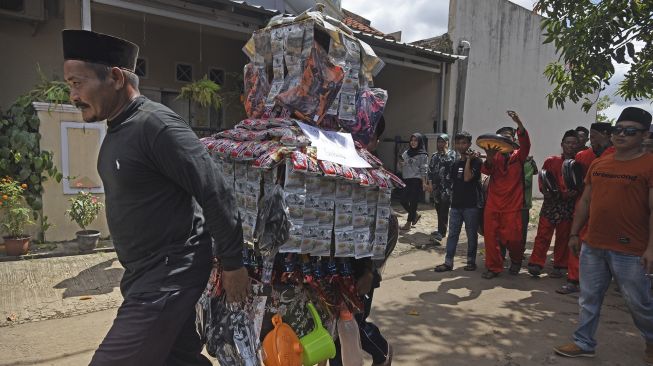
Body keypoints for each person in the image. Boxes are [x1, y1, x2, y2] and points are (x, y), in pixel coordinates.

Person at [61, 30, 249, 366]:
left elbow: (214, 189)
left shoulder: (157, 126)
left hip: (170, 275)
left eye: (77, 83)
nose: (73, 95)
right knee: (176, 359)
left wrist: (234, 264)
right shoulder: (118, 128)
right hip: (143, 276)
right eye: (70, 85)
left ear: (115, 77)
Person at [554, 107, 653, 365]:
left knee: (638, 302)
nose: (621, 135)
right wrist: (575, 233)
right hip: (593, 244)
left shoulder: (649, 165)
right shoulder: (599, 163)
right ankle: (584, 342)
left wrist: (650, 248)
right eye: (618, 130)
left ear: (644, 135)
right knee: (589, 297)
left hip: (630, 250)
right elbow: (586, 201)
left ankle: (651, 339)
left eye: (630, 131)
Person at [333, 116, 395, 366]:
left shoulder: (375, 176)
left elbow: (383, 229)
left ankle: (383, 352)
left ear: (376, 141)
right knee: (337, 329)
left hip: (363, 266)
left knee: (352, 323)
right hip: (337, 264)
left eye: (366, 136)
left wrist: (370, 271)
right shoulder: (337, 164)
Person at [557, 122, 615, 294]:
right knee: (577, 241)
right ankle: (573, 280)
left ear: (606, 134)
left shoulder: (618, 155)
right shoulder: (583, 156)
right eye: (591, 136)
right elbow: (570, 176)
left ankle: (603, 279)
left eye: (594, 135)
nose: (591, 139)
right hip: (584, 204)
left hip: (609, 208)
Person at [480, 111, 531, 279]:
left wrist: (519, 123)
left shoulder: (519, 156)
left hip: (513, 206)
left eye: (508, 137)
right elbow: (486, 171)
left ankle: (516, 260)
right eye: (501, 137)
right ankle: (494, 267)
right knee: (491, 238)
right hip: (493, 204)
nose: (505, 140)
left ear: (513, 140)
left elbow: (526, 144)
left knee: (514, 239)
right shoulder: (495, 157)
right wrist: (488, 157)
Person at [527, 130, 580, 278]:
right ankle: (536, 263)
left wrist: (573, 194)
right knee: (543, 233)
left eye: (574, 143)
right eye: (568, 143)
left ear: (578, 145)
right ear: (562, 144)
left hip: (568, 205)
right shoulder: (551, 161)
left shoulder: (580, 162)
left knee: (563, 236)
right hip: (551, 203)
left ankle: (560, 265)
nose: (570, 146)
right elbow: (543, 179)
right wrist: (546, 192)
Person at [433, 131, 483, 272]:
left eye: (464, 143)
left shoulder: (477, 162)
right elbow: (455, 182)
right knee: (452, 235)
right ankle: (448, 263)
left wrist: (468, 160)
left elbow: (467, 178)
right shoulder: (455, 163)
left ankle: (471, 262)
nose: (461, 146)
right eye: (459, 143)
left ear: (469, 144)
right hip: (456, 205)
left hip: (471, 206)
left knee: (471, 235)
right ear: (455, 144)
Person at [428, 134, 457, 242]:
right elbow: (430, 171)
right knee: (438, 208)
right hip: (436, 187)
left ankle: (442, 232)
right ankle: (440, 229)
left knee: (444, 209)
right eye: (439, 142)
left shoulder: (452, 154)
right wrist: (430, 184)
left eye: (443, 142)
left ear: (447, 143)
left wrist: (445, 152)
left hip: (447, 188)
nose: (440, 144)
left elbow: (452, 166)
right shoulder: (434, 155)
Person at [399, 133, 429, 231]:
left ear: (419, 142)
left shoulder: (423, 155)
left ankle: (408, 223)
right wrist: (401, 164)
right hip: (406, 178)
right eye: (412, 140)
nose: (413, 142)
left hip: (416, 180)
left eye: (415, 140)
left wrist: (424, 182)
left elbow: (424, 169)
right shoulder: (406, 153)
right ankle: (415, 215)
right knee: (402, 200)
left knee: (413, 202)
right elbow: (401, 164)